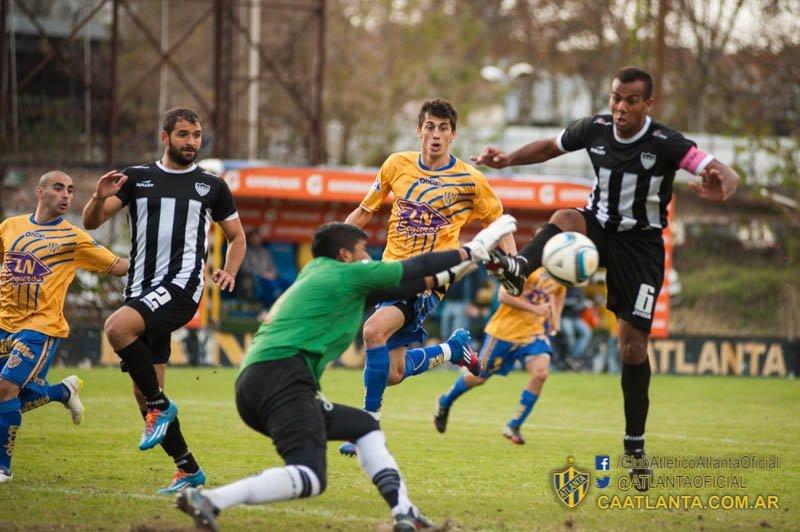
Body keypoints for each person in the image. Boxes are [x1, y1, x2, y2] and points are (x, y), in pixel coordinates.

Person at [473, 66, 739, 489]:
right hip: (596, 226)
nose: (620, 107)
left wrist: (724, 181)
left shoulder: (667, 143)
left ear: (648, 104)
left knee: (632, 347)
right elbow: (548, 146)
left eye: (631, 100)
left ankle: (634, 447)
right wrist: (507, 159)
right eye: (616, 97)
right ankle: (520, 267)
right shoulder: (594, 129)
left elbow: (716, 168)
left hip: (642, 247)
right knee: (564, 216)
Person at [174, 217, 517, 532]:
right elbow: (416, 266)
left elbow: (419, 283)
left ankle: (404, 511)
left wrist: (473, 263)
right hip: (283, 379)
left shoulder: (319, 273)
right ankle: (211, 500)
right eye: (362, 250)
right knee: (310, 476)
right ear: (345, 254)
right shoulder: (347, 273)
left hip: (259, 382)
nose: (367, 255)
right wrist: (473, 247)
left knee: (364, 427)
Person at [82, 107, 246, 493]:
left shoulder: (212, 185)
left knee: (116, 327)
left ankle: (160, 407)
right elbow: (92, 221)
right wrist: (96, 196)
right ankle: (187, 467)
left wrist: (230, 270)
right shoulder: (136, 178)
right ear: (165, 136)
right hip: (140, 289)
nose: (192, 142)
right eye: (184, 135)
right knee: (144, 391)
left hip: (180, 287)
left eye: (197, 135)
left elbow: (237, 237)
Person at [341, 98, 516, 436]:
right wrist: (335, 248)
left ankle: (365, 429)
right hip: (390, 270)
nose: (436, 134)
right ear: (419, 130)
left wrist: (515, 264)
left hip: (429, 278)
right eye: (430, 127)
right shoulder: (396, 165)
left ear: (453, 135)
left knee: (373, 331)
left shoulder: (470, 179)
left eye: (444, 128)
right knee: (392, 373)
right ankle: (454, 349)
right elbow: (365, 211)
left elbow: (499, 222)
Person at [0, 171, 129, 482]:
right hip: (4, 325)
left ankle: (2, 468)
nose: (66, 195)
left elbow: (118, 266)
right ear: (40, 191)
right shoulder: (10, 226)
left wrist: (163, 259)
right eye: (59, 188)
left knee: (4, 389)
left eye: (70, 190)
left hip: (41, 327)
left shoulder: (73, 238)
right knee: (9, 395)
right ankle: (62, 391)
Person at [435, 263, 565, 445]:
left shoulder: (562, 271)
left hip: (534, 332)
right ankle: (445, 400)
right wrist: (536, 309)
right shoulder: (526, 267)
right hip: (504, 332)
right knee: (478, 377)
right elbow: (503, 296)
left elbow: (558, 294)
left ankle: (514, 425)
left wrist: (555, 320)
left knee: (541, 373)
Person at [559, 286, 593, 368]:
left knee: (587, 332)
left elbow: (582, 304)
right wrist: (572, 303)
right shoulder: (562, 287)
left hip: (576, 318)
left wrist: (570, 303)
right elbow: (559, 302)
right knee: (569, 333)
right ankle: (572, 357)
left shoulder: (578, 290)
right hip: (564, 317)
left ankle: (572, 356)